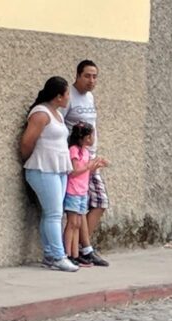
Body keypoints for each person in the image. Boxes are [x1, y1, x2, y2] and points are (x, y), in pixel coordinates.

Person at [20, 76, 77, 271]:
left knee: (51, 214)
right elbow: (27, 142)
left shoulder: (58, 114)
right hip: (42, 168)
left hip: (58, 168)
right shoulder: (41, 114)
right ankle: (59, 256)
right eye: (67, 93)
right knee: (54, 214)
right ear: (58, 96)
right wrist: (29, 159)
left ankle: (50, 255)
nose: (69, 97)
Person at [61, 60, 108, 266]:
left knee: (98, 203)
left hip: (91, 157)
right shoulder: (69, 96)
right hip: (78, 160)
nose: (91, 80)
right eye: (87, 76)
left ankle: (83, 247)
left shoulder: (89, 97)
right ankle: (84, 248)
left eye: (95, 76)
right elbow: (60, 125)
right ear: (78, 75)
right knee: (82, 208)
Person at [63, 123, 106, 264]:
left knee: (78, 223)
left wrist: (95, 166)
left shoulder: (86, 152)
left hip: (82, 191)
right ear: (83, 138)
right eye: (90, 136)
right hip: (73, 190)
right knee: (72, 223)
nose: (92, 138)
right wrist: (88, 165)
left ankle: (75, 254)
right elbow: (75, 171)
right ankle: (67, 253)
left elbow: (86, 172)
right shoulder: (74, 150)